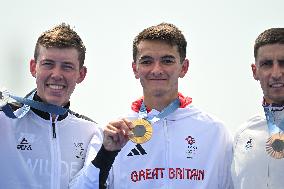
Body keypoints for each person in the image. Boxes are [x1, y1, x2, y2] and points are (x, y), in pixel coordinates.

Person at [70, 22, 233, 189]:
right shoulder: (114, 133)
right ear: (135, 69)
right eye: (147, 61)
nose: (156, 69)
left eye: (167, 61)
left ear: (183, 68)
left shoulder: (215, 131)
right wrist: (106, 153)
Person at [0, 23, 102, 189]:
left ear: (81, 74)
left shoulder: (91, 132)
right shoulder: (4, 120)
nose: (56, 75)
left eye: (67, 66)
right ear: (34, 68)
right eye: (48, 64)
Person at [232, 28, 284, 189]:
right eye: (267, 64)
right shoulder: (243, 134)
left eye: (283, 63)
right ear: (255, 71)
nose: (276, 73)